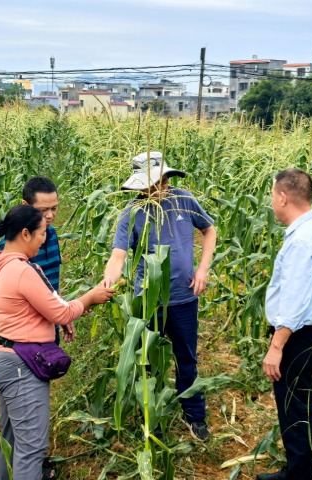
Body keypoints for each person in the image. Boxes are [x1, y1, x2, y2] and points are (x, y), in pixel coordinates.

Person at [0, 205, 115, 479]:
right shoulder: (21, 270)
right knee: (32, 448)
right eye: (42, 233)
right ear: (25, 234)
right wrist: (90, 296)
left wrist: (60, 314)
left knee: (11, 438)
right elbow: (61, 311)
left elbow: (37, 307)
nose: (45, 239)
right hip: (20, 366)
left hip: (2, 355)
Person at [100, 151, 217, 440]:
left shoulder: (184, 199)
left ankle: (194, 415)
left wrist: (203, 269)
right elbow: (118, 256)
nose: (163, 187)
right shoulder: (131, 212)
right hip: (149, 301)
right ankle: (151, 418)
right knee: (148, 361)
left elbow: (209, 229)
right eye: (156, 182)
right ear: (141, 185)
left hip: (184, 298)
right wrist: (108, 280)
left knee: (187, 359)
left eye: (164, 180)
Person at [257, 169, 312, 480]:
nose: (272, 202)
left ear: (283, 197)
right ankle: (301, 468)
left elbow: (294, 299)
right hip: (306, 334)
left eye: (272, 196)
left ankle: (299, 475)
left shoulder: (302, 241)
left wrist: (276, 346)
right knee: (300, 404)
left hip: (297, 336)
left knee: (293, 406)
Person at [0, 176, 65, 345]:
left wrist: (62, 314)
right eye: (43, 210)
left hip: (50, 329)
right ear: (25, 206)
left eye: (54, 208)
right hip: (25, 338)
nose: (50, 215)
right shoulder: (10, 246)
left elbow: (52, 283)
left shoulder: (52, 234)